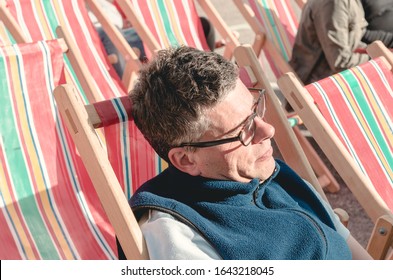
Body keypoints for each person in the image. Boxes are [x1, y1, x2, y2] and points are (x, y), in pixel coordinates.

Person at [118, 45, 373, 260]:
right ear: (186, 159)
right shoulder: (178, 236)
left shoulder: (272, 176)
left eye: (256, 109)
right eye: (243, 130)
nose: (268, 130)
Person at [88, 0, 217, 77]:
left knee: (201, 25)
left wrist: (126, 21)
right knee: (155, 38)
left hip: (121, 33)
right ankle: (194, 59)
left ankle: (193, 56)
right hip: (102, 36)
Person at [290, 0, 393, 84]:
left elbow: (357, 35)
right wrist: (381, 57)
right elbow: (341, 62)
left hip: (339, 78)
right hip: (324, 85)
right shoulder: (334, 4)